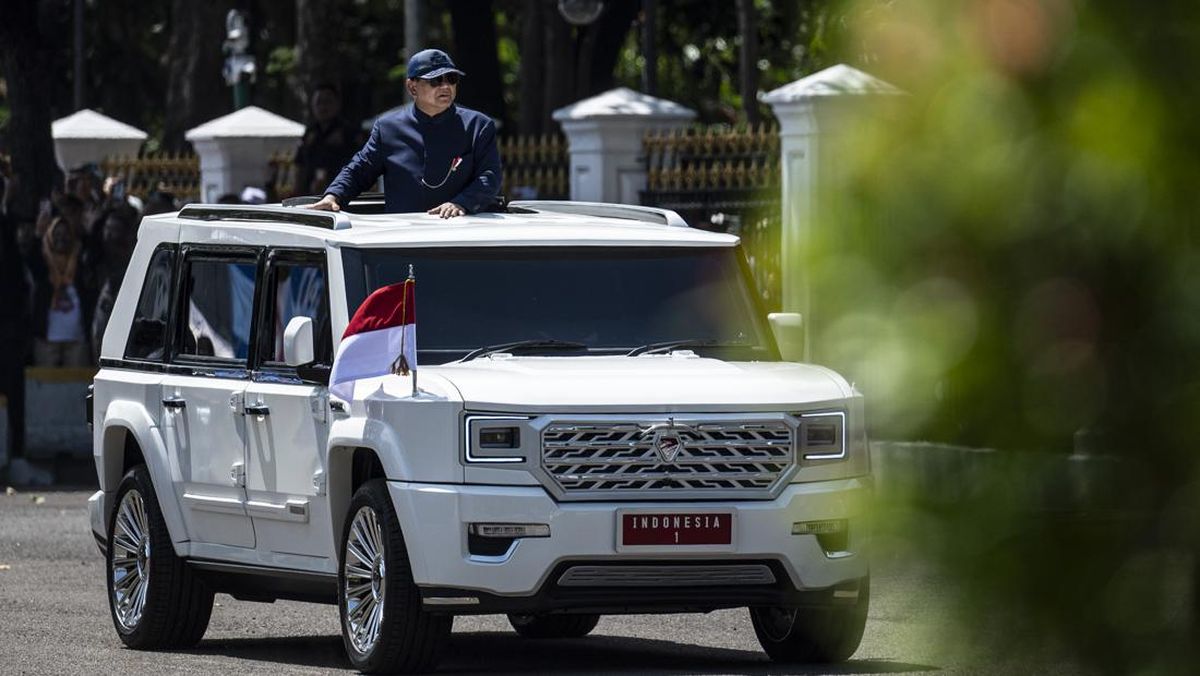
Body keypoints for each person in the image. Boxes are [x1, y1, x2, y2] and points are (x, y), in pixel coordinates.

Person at [308, 48, 501, 218]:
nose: (445, 86)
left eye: (452, 79)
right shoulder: (388, 128)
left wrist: (461, 203)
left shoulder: (478, 125)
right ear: (412, 87)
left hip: (460, 234)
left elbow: (489, 176)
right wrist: (334, 196)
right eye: (435, 80)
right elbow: (360, 169)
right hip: (402, 238)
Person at [294, 83, 364, 196]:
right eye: (318, 102)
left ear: (337, 104)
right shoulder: (310, 133)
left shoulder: (349, 132)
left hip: (342, 192)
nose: (323, 107)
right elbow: (299, 164)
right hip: (309, 193)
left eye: (327, 102)